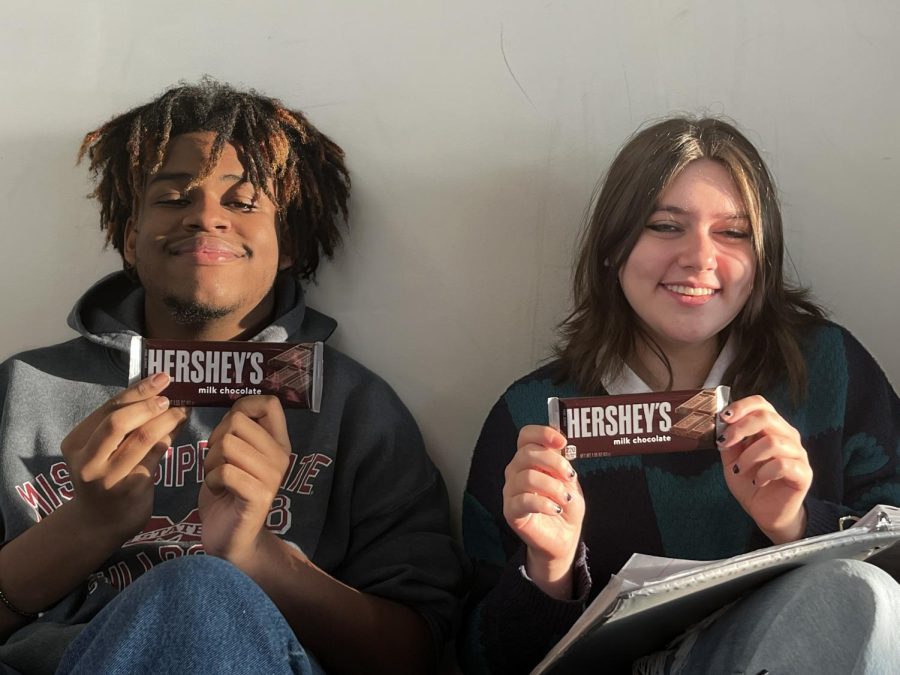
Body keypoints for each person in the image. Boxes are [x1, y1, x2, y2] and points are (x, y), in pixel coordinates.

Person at [0, 79, 467, 674]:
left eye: (243, 203)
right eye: (172, 198)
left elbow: (417, 652)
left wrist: (255, 556)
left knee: (199, 590)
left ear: (290, 240)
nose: (205, 218)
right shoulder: (23, 392)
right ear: (128, 237)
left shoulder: (355, 408)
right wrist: (82, 529)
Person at [458, 116, 900, 674]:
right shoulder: (528, 417)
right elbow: (478, 658)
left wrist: (798, 523)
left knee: (858, 592)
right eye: (666, 226)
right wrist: (551, 572)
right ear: (612, 246)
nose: (700, 258)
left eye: (734, 232)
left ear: (763, 258)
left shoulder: (829, 371)